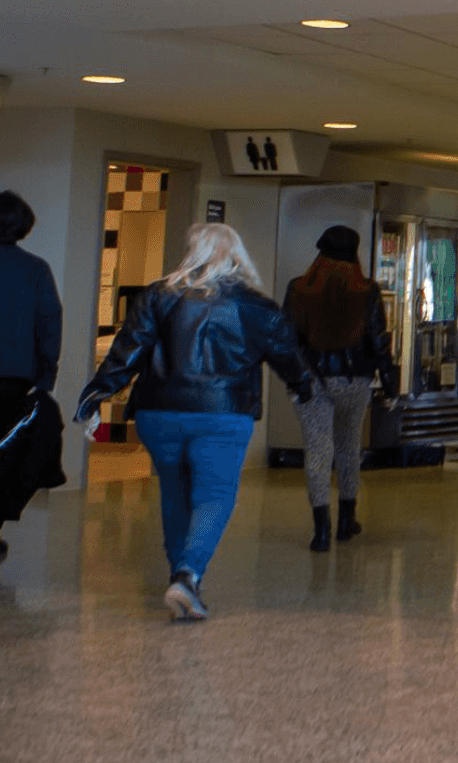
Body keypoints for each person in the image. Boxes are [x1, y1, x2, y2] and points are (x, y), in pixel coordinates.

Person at [74, 223, 313, 621]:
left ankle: (184, 583)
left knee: (175, 494)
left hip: (159, 413)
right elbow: (288, 356)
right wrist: (302, 388)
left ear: (192, 252)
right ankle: (187, 576)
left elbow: (128, 351)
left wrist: (96, 395)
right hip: (223, 413)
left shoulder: (157, 295)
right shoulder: (257, 306)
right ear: (236, 255)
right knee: (214, 495)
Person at [282, 225, 398, 551]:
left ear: (320, 252)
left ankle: (321, 530)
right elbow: (378, 339)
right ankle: (347, 520)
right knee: (348, 447)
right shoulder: (367, 290)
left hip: (312, 382)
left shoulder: (298, 288)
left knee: (318, 452)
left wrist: (296, 379)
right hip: (354, 381)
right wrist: (389, 382)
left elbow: (286, 340)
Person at [0, 190, 66, 563]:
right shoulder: (36, 269)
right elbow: (49, 324)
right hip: (14, 380)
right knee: (9, 455)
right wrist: (45, 377)